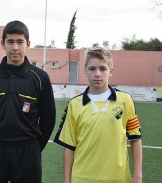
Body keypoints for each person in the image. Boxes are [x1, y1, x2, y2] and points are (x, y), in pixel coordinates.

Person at [0, 20, 56, 183]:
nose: (15, 47)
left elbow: (48, 118)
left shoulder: (41, 77)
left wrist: (34, 147)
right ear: (3, 44)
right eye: (10, 42)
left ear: (28, 44)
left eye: (20, 42)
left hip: (27, 150)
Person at [54, 47, 142, 183]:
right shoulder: (74, 104)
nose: (97, 74)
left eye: (103, 69)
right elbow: (69, 147)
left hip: (117, 178)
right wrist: (66, 180)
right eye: (92, 69)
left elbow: (135, 139)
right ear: (85, 71)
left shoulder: (125, 101)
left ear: (110, 71)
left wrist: (137, 175)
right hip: (82, 178)